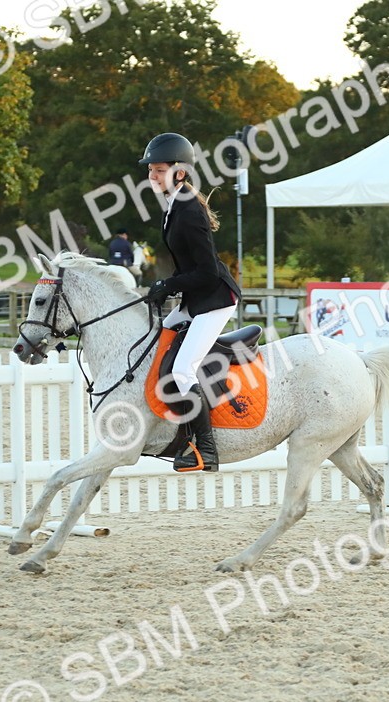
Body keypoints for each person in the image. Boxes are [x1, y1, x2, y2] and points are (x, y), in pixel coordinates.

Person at [140, 132, 241, 473]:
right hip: (195, 296)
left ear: (179, 172)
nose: (151, 176)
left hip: (215, 298)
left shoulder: (189, 211)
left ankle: (207, 451)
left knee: (184, 368)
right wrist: (169, 289)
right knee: (158, 338)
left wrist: (169, 284)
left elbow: (208, 273)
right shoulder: (174, 205)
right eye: (151, 170)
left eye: (158, 170)